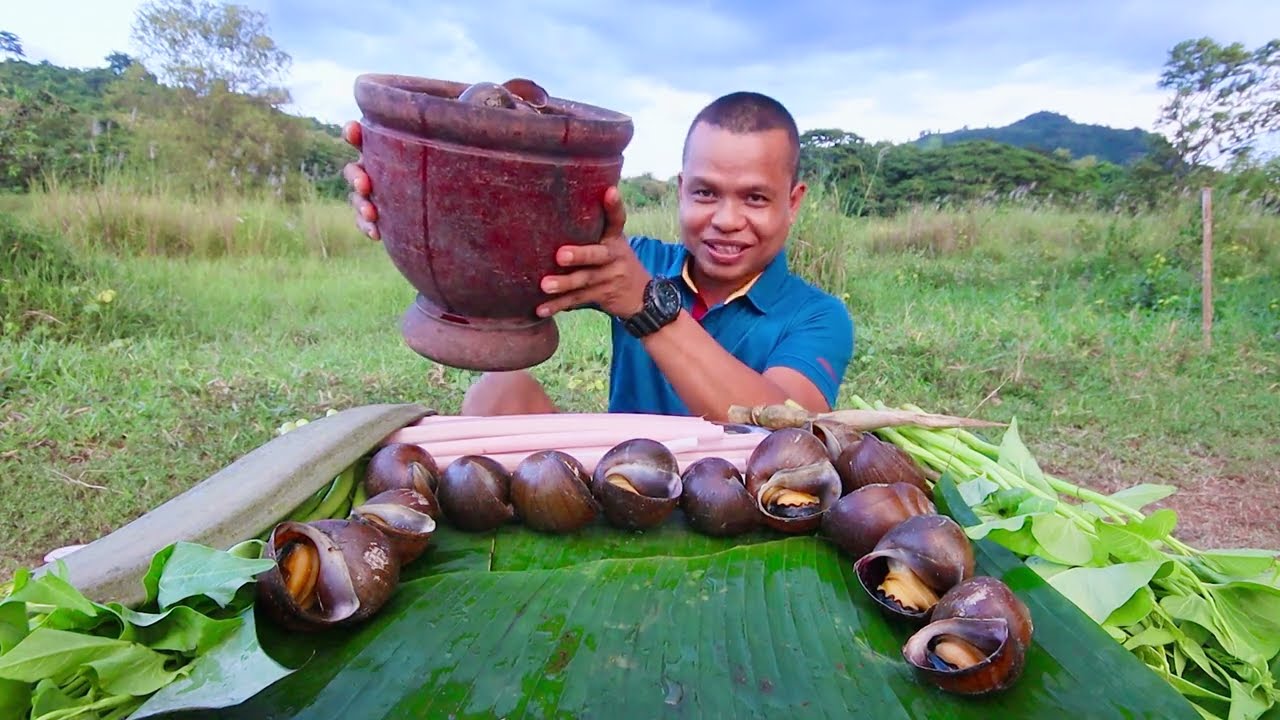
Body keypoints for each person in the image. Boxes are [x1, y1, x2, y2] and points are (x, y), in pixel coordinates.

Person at [342, 91, 855, 422]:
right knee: (499, 391)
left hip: (740, 514)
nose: (725, 218)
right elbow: (508, 251)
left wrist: (646, 306)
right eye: (705, 193)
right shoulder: (632, 261)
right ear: (681, 191)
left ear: (793, 202)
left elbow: (789, 426)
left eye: (755, 198)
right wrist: (405, 197)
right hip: (624, 490)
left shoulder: (818, 316)